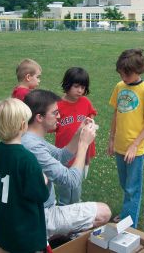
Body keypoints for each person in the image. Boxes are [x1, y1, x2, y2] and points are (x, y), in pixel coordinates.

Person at [21, 89, 111, 238]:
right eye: (55, 113)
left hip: (36, 211)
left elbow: (60, 156)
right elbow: (72, 181)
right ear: (39, 118)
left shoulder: (30, 138)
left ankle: (57, 236)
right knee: (104, 212)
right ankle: (52, 238)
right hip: (40, 216)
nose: (59, 116)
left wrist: (78, 133)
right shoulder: (32, 146)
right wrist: (83, 145)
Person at [0, 98, 49, 253]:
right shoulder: (26, 158)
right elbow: (40, 194)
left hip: (4, 216)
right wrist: (44, 179)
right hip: (25, 225)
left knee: (4, 245)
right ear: (23, 125)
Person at [107, 48, 144, 228]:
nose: (123, 77)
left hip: (134, 150)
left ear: (138, 71)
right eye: (121, 73)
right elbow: (116, 113)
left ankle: (130, 226)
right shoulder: (119, 87)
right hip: (120, 146)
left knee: (132, 189)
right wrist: (111, 139)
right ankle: (127, 213)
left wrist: (135, 145)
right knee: (124, 185)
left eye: (126, 74)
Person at [55, 67, 97, 205]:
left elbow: (90, 117)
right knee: (65, 186)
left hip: (81, 150)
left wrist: (90, 124)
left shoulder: (85, 102)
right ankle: (63, 206)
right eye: (76, 86)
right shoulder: (58, 105)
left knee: (77, 185)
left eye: (83, 87)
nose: (80, 90)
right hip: (64, 152)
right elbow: (51, 125)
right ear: (67, 85)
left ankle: (76, 206)